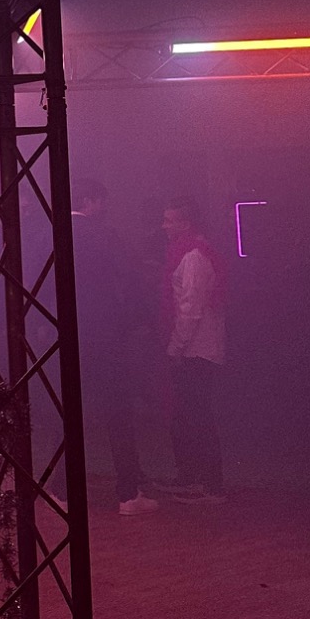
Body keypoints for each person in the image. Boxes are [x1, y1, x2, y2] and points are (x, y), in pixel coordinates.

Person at [73, 180, 157, 516]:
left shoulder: (49, 235)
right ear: (91, 201)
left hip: (64, 339)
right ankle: (128, 494)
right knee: (118, 413)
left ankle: (61, 491)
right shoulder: (103, 235)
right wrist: (138, 321)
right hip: (106, 337)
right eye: (102, 201)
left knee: (66, 412)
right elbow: (131, 279)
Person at [160, 198, 227, 504]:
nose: (164, 226)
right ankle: (193, 478)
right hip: (197, 348)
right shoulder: (193, 252)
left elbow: (190, 309)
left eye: (169, 220)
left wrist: (175, 347)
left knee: (197, 417)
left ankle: (210, 485)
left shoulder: (193, 256)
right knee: (189, 416)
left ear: (186, 224)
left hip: (196, 349)